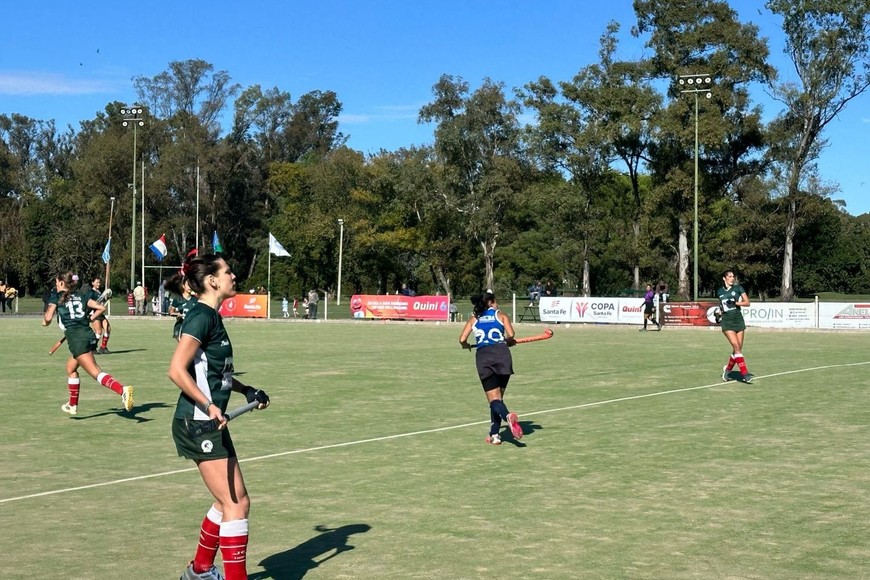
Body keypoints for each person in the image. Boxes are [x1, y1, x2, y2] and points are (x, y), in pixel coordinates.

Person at [167, 253, 270, 580]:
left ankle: (199, 570)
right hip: (198, 423)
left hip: (208, 421)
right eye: (227, 271)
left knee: (233, 501)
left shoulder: (211, 315)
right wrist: (209, 405)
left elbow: (216, 373)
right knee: (236, 504)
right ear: (212, 281)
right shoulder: (201, 317)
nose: (233, 275)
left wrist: (246, 390)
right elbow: (176, 371)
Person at [42, 271, 133, 415]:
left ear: (60, 283)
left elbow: (47, 319)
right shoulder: (81, 295)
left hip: (77, 339)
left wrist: (45, 321)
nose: (55, 285)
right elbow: (101, 308)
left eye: (56, 282)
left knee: (96, 372)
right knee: (71, 369)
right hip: (87, 335)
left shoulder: (56, 296)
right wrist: (90, 318)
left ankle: (122, 390)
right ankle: (72, 405)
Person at [458, 290, 523, 445]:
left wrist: (466, 345)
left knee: (493, 400)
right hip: (502, 356)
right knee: (498, 398)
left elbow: (461, 339)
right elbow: (511, 334)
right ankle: (494, 434)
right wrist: (507, 341)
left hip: (484, 358)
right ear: (491, 302)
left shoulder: (474, 319)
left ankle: (507, 417)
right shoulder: (502, 316)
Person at [716, 269, 753, 383]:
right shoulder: (719, 291)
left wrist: (736, 303)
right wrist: (719, 313)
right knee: (736, 347)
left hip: (738, 320)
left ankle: (727, 370)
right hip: (727, 322)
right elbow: (722, 307)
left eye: (733, 276)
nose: (732, 278)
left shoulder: (738, 288)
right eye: (730, 276)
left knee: (738, 348)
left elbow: (747, 302)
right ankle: (745, 373)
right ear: (724, 278)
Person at [166, 274, 198, 341]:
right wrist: (177, 314)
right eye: (188, 285)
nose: (190, 287)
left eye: (191, 285)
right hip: (180, 326)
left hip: (192, 327)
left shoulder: (195, 300)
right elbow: (171, 311)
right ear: (183, 286)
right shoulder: (177, 299)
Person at [87, 276, 112, 354]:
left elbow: (101, 303)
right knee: (98, 331)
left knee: (108, 329)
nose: (98, 284)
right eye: (97, 282)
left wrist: (106, 298)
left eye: (99, 282)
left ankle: (103, 347)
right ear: (92, 283)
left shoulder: (99, 292)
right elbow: (90, 303)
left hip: (100, 314)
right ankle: (92, 348)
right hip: (94, 313)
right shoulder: (91, 292)